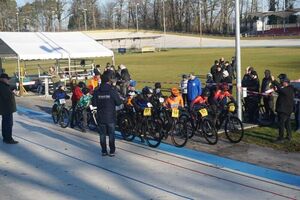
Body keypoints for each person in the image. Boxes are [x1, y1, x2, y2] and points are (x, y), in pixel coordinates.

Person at [92, 75, 122, 157]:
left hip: (101, 116)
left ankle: (104, 151)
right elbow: (119, 103)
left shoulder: (97, 91)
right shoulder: (112, 91)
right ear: (108, 81)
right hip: (111, 116)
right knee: (111, 134)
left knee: (102, 134)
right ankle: (112, 151)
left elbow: (94, 104)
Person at [272, 76, 295, 142]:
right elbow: (280, 91)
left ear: (286, 83)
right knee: (287, 124)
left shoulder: (288, 89)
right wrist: (275, 89)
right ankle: (289, 136)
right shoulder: (287, 89)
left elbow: (282, 90)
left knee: (281, 124)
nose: (281, 83)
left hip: (284, 110)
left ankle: (281, 138)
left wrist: (274, 81)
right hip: (286, 110)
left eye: (282, 82)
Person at [0, 73, 18, 144]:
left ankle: (6, 138)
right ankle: (8, 139)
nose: (8, 80)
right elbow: (7, 96)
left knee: (6, 123)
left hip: (6, 108)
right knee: (8, 124)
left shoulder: (3, 85)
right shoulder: (2, 85)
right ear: (3, 79)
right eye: (7, 79)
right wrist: (12, 93)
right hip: (6, 108)